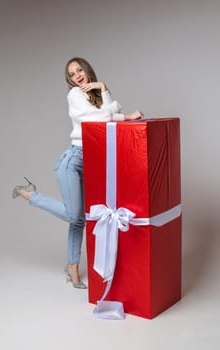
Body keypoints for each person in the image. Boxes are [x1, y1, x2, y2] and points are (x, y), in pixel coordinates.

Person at [12, 57, 143, 289]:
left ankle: (72, 267)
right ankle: (30, 194)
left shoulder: (92, 93)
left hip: (91, 162)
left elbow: (109, 113)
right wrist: (106, 94)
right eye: (72, 74)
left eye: (79, 70)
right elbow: (99, 118)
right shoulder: (73, 96)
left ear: (86, 70)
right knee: (75, 216)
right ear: (70, 80)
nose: (77, 76)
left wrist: (108, 96)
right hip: (73, 160)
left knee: (79, 220)